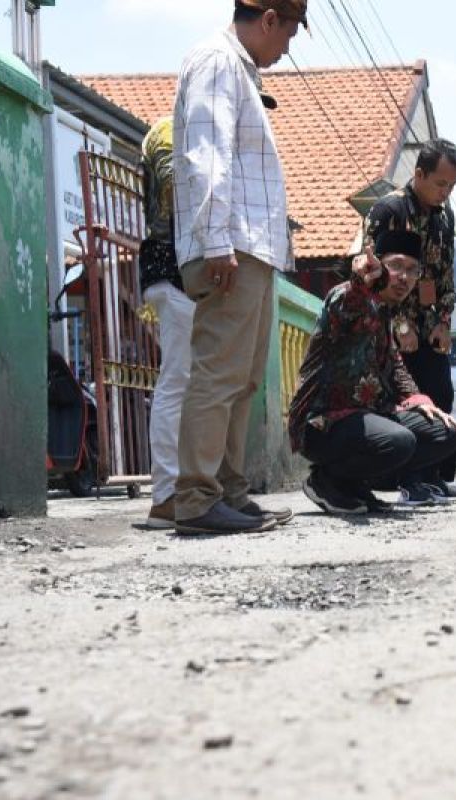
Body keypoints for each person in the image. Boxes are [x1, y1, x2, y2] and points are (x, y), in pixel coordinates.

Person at [170, 0, 306, 535]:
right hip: (231, 247)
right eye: (289, 33)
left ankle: (227, 492)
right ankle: (197, 498)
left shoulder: (239, 70)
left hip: (251, 248)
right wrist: (217, 239)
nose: (287, 48)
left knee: (243, 381)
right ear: (269, 19)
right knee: (219, 374)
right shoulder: (216, 61)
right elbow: (207, 155)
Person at [288, 231, 456, 513]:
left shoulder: (386, 312)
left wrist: (421, 402)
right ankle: (326, 481)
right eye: (396, 266)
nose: (404, 277)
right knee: (399, 442)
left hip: (367, 418)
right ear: (378, 265)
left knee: (444, 433)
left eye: (412, 271)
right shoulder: (346, 295)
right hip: (323, 423)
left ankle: (354, 485)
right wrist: (360, 283)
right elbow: (347, 303)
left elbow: (397, 368)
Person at [365, 139, 456, 503]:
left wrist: (443, 320)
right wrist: (400, 324)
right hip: (394, 331)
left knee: (440, 395)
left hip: (431, 326)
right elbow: (372, 272)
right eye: (440, 184)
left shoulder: (445, 216)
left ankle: (434, 476)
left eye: (451, 186)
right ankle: (408, 480)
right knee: (407, 401)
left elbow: (445, 273)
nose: (445, 192)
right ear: (419, 174)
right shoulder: (389, 209)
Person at [137, 116, 195, 530]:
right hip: (176, 267)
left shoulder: (165, 129)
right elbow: (177, 189)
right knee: (179, 380)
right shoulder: (179, 130)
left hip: (166, 266)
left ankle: (178, 490)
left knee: (182, 380)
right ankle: (167, 495)